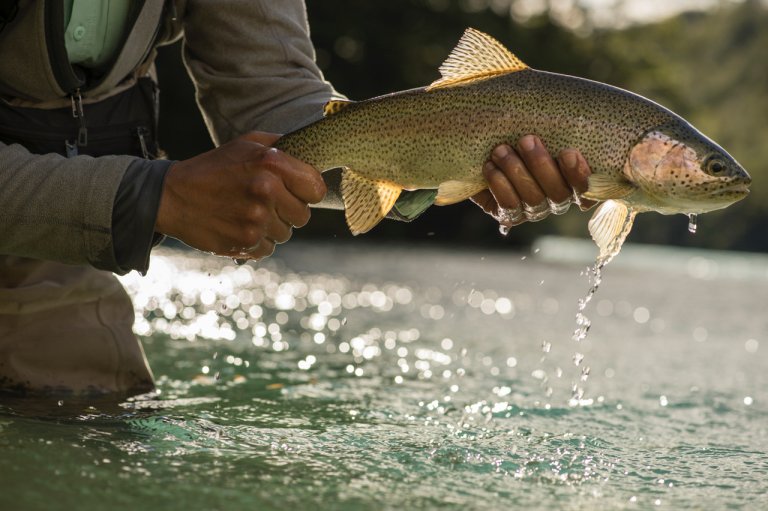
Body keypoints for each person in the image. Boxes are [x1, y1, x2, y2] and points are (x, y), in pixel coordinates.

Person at [0, 1, 592, 397]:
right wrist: (154, 197)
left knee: (96, 425)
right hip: (72, 203)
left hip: (52, 233)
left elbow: (271, 95)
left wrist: (443, 166)